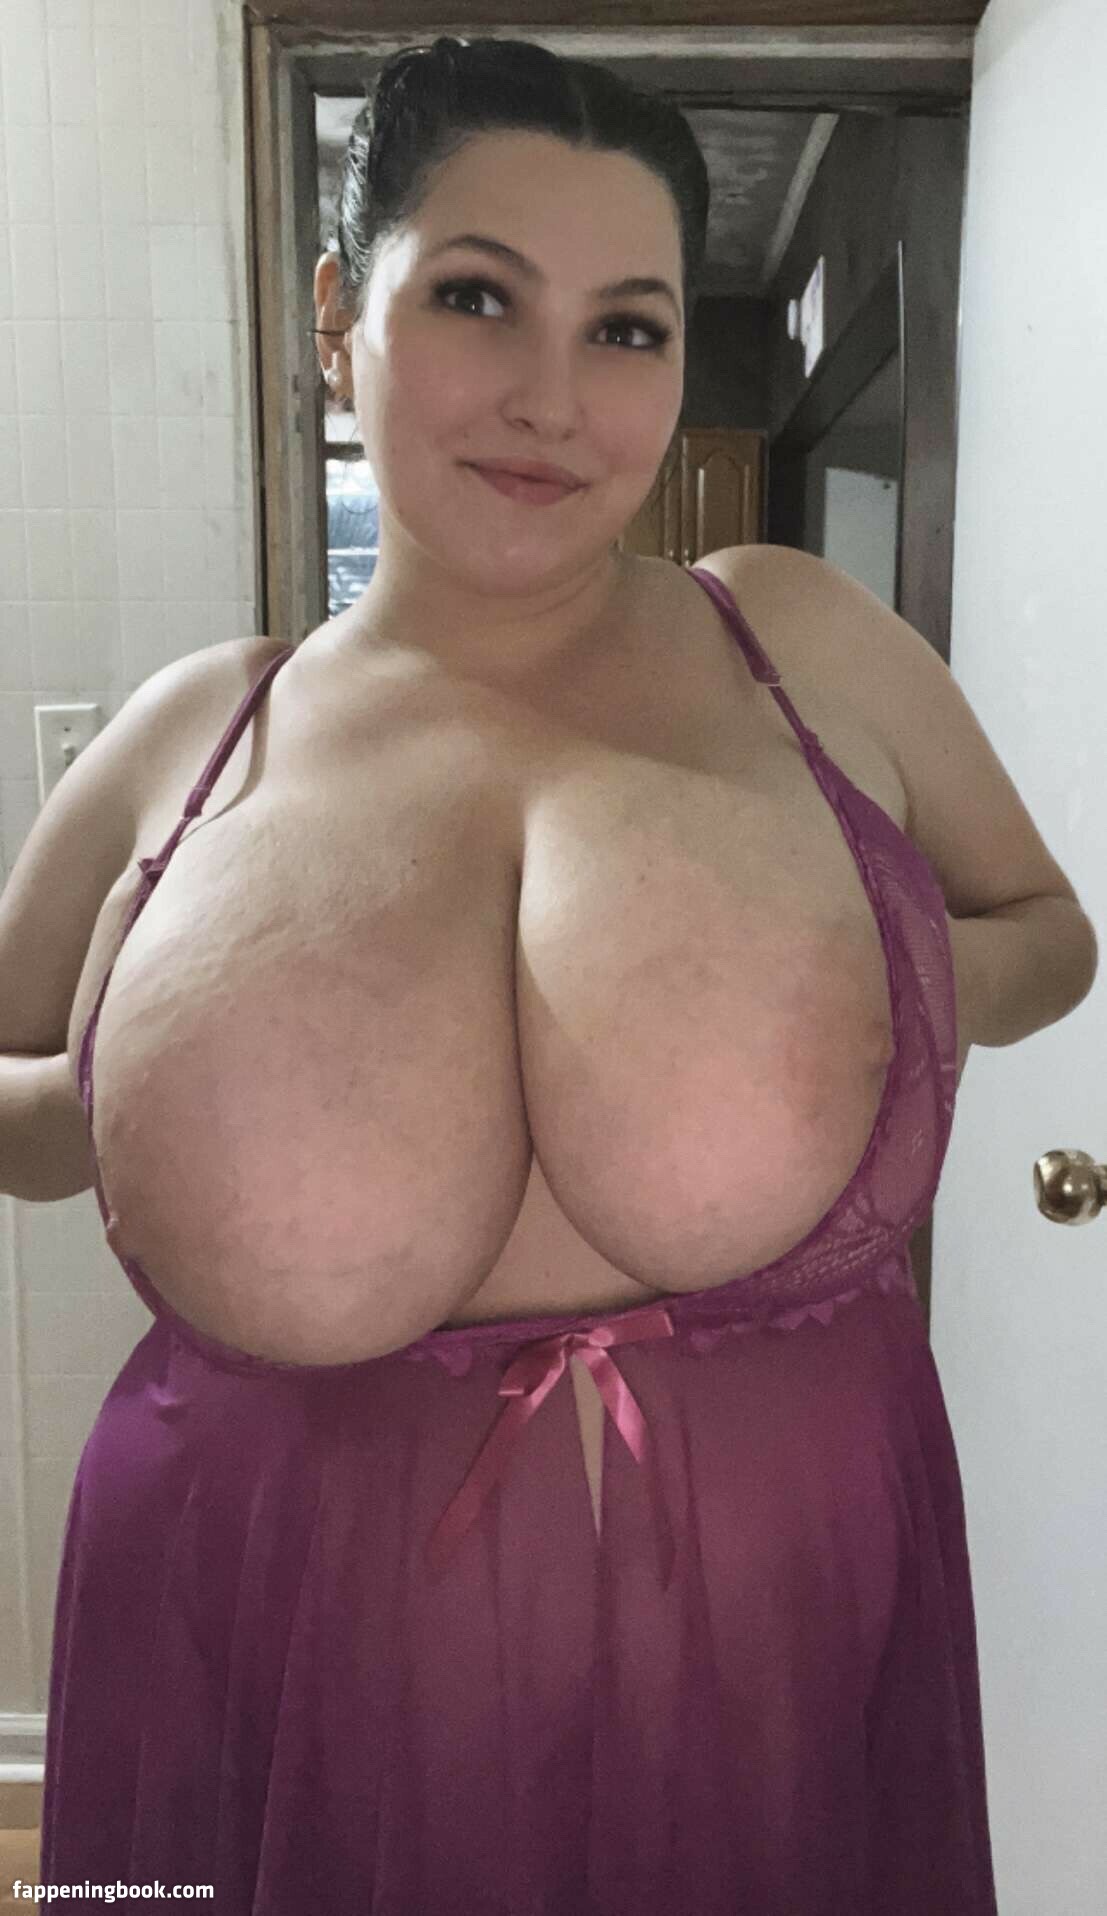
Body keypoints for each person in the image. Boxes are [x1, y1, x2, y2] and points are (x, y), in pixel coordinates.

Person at [27, 31, 1057, 1912]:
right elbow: (17, 1113)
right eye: (478, 297)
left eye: (628, 328)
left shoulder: (797, 646)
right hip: (280, 1633)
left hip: (777, 1616)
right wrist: (115, 1059)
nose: (552, 400)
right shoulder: (196, 736)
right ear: (338, 315)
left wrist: (900, 975)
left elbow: (1047, 934)